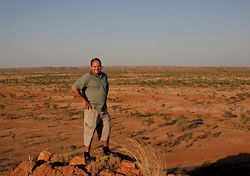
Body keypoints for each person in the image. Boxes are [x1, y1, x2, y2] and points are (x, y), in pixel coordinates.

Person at [71, 58, 111, 164]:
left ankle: (106, 150)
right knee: (89, 131)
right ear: (91, 67)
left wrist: (104, 101)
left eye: (98, 66)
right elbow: (74, 87)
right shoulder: (87, 77)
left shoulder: (104, 76)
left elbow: (106, 88)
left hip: (103, 108)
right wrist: (84, 100)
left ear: (101, 66)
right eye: (94, 66)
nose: (96, 68)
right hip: (91, 109)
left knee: (106, 129)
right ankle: (87, 155)